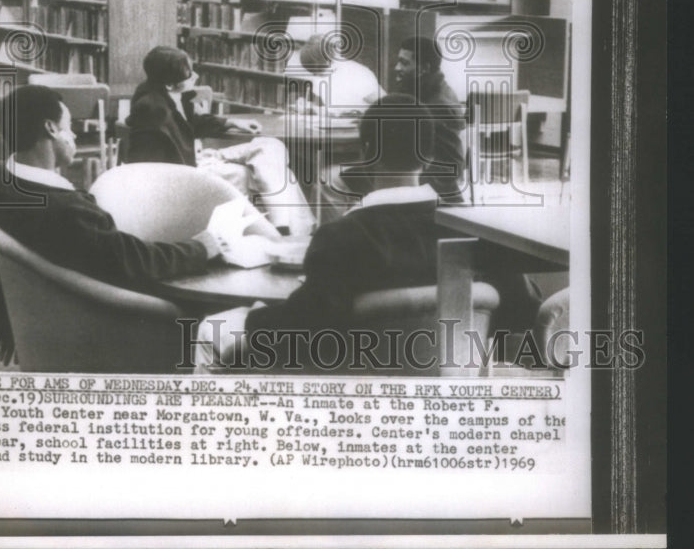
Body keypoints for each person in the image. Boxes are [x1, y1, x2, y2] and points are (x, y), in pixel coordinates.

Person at [196, 96, 542, 372]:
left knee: (211, 331)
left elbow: (301, 330)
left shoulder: (341, 237)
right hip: (452, 385)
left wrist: (256, 317)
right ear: (430, 154)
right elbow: (522, 312)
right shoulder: (479, 232)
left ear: (364, 152)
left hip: (346, 382)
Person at [0, 84, 261, 365]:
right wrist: (199, 247)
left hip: (48, 320)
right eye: (69, 126)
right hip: (116, 322)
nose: (74, 135)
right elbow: (129, 259)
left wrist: (1, 324)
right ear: (50, 129)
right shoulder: (65, 210)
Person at [125, 46, 315, 235]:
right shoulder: (152, 110)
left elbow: (191, 122)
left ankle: (284, 228)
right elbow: (147, 166)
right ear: (169, 84)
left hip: (200, 157)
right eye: (189, 75)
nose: (196, 76)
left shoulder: (169, 95)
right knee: (268, 170)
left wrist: (232, 122)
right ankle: (292, 231)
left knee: (271, 146)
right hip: (190, 170)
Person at [393, 36, 467, 202]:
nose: (396, 68)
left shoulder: (437, 105)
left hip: (433, 183)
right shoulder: (429, 89)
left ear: (423, 69)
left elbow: (446, 166)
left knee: (332, 181)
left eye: (404, 63)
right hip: (421, 173)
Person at [284, 34, 384, 115]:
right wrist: (309, 107)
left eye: (320, 71)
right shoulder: (322, 77)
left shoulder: (356, 74)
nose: (317, 76)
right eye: (314, 73)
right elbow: (330, 108)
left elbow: (385, 105)